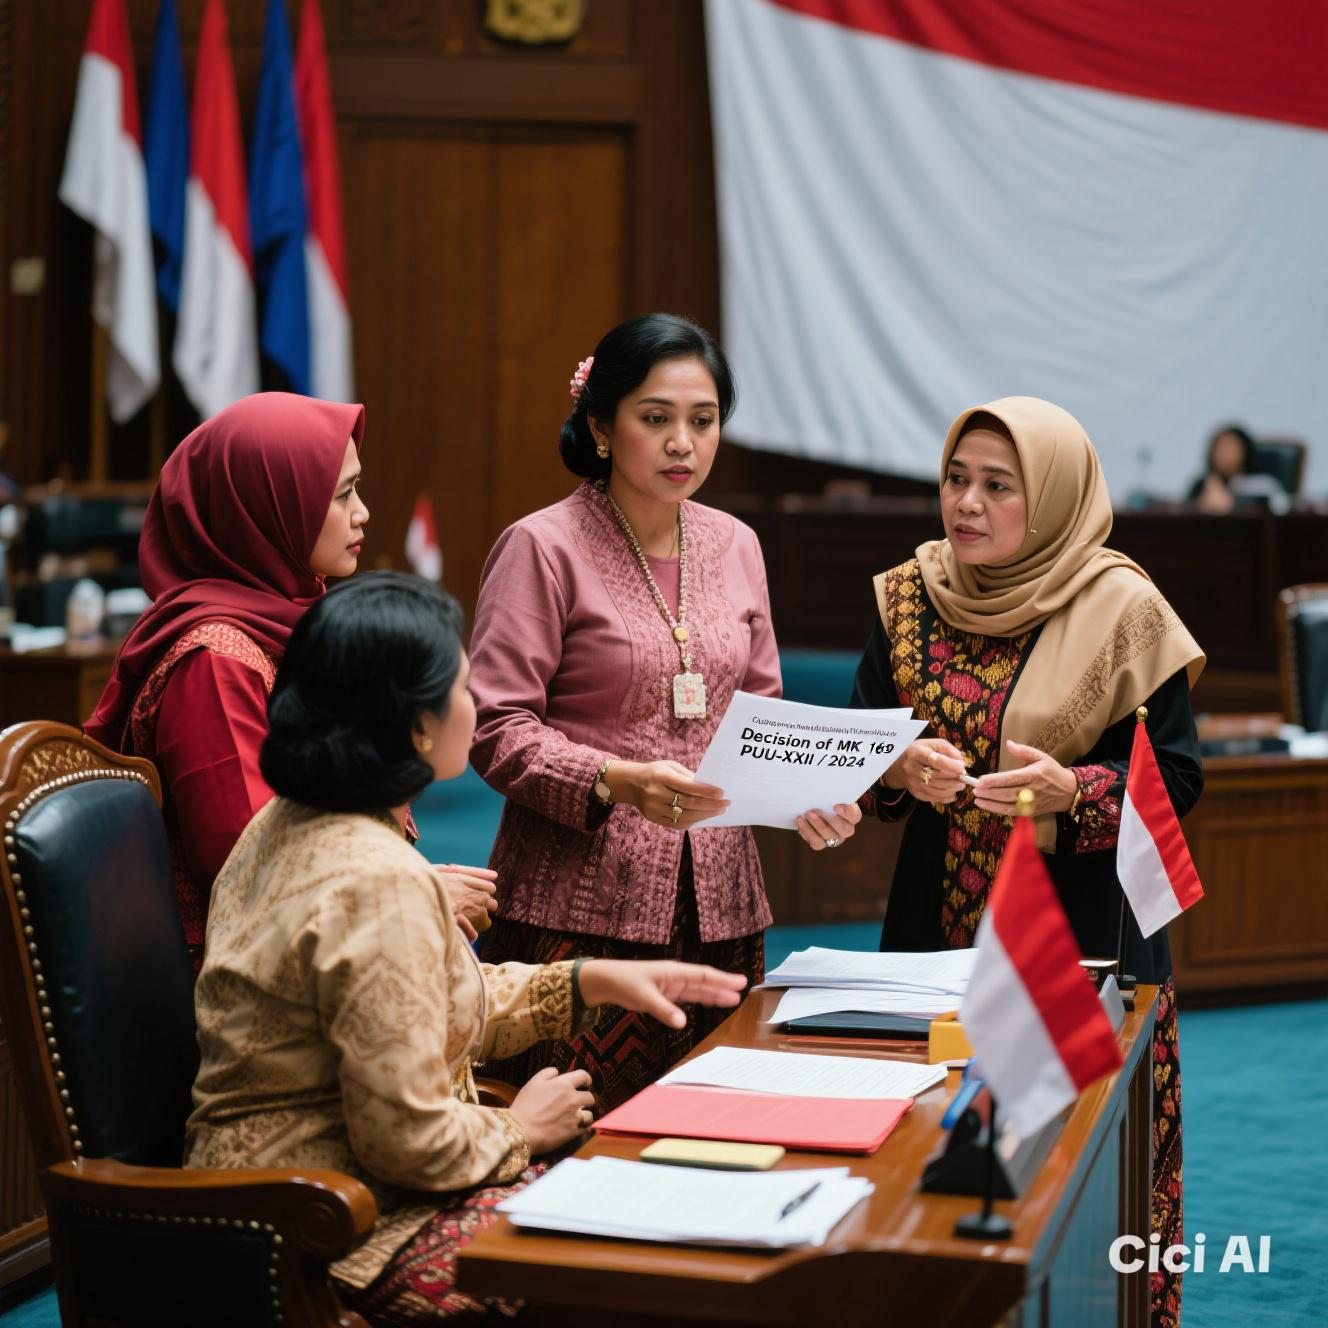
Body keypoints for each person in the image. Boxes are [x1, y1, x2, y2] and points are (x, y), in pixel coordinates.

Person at [187, 572, 747, 1325]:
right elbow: (407, 1144)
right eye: (460, 685)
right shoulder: (377, 877)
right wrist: (522, 1128)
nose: (477, 702)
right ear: (417, 726)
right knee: (632, 1267)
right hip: (323, 1229)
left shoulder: (291, 819)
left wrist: (587, 981)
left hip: (259, 1204)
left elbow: (418, 1006)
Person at [850, 397, 1204, 1328]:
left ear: (1050, 501)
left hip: (1080, 936)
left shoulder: (1124, 610)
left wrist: (1074, 791)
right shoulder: (909, 596)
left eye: (998, 487)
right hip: (935, 933)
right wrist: (899, 768)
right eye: (955, 479)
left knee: (1083, 1175)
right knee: (924, 1158)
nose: (967, 504)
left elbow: (1177, 781)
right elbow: (861, 750)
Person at [469, 313, 861, 1111]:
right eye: (656, 419)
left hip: (721, 910)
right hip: (576, 912)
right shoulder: (542, 546)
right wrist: (616, 779)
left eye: (703, 421)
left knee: (712, 1124)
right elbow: (496, 728)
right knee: (578, 1134)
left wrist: (808, 793)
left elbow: (762, 713)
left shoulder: (736, 543)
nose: (683, 443)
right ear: (601, 427)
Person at [83, 393, 495, 964]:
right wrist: (414, 894)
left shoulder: (290, 619)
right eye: (342, 495)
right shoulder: (215, 661)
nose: (363, 513)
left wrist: (405, 879)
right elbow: (252, 872)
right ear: (269, 507)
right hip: (239, 974)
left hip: (319, 932)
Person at [1186, 423, 1268, 514]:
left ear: (1245, 451)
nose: (1224, 454)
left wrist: (1229, 504)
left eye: (1230, 448)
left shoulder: (1262, 484)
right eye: (1219, 448)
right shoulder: (1201, 485)